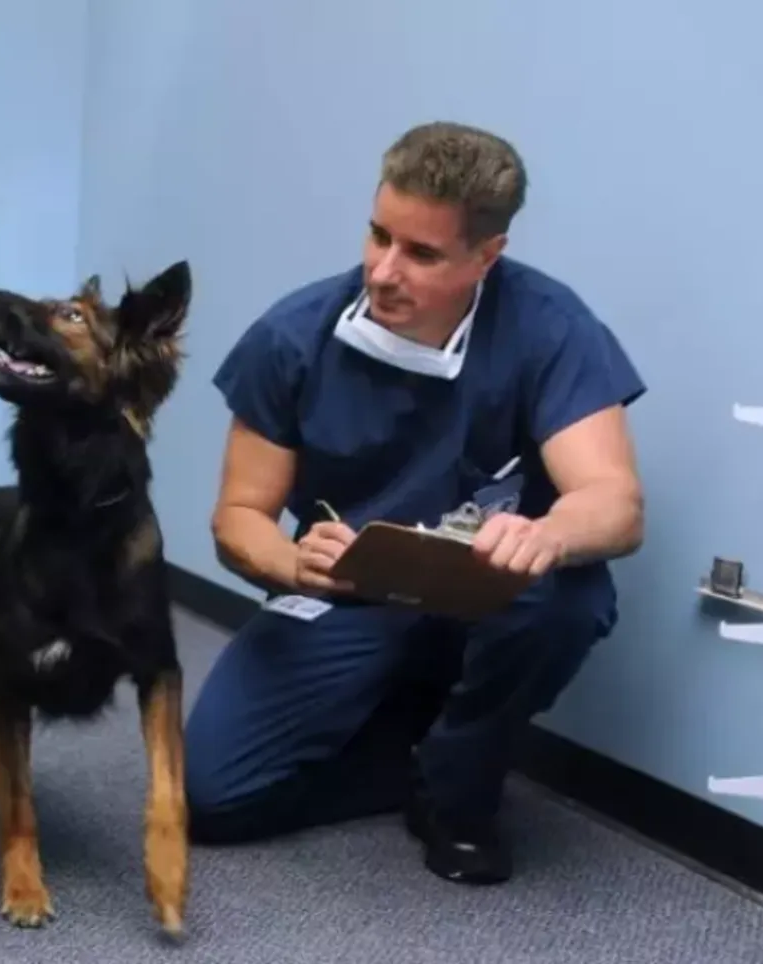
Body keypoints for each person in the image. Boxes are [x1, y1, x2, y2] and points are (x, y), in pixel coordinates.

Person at [187, 121, 647, 886]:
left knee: (566, 600)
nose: (383, 270)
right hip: (350, 593)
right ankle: (421, 747)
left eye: (421, 254)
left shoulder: (549, 328)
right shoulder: (293, 337)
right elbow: (238, 517)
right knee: (211, 799)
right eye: (378, 236)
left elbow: (615, 503)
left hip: (488, 595)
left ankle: (457, 793)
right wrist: (292, 562)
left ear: (486, 257)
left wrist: (550, 534)